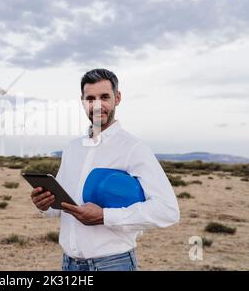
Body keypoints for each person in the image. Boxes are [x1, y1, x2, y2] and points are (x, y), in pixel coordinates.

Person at [30, 68, 180, 271]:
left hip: (112, 264)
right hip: (69, 264)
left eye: (104, 97)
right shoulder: (72, 149)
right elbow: (63, 206)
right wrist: (44, 205)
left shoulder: (133, 148)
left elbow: (167, 210)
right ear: (83, 101)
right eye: (90, 98)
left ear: (117, 98)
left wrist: (105, 216)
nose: (97, 105)